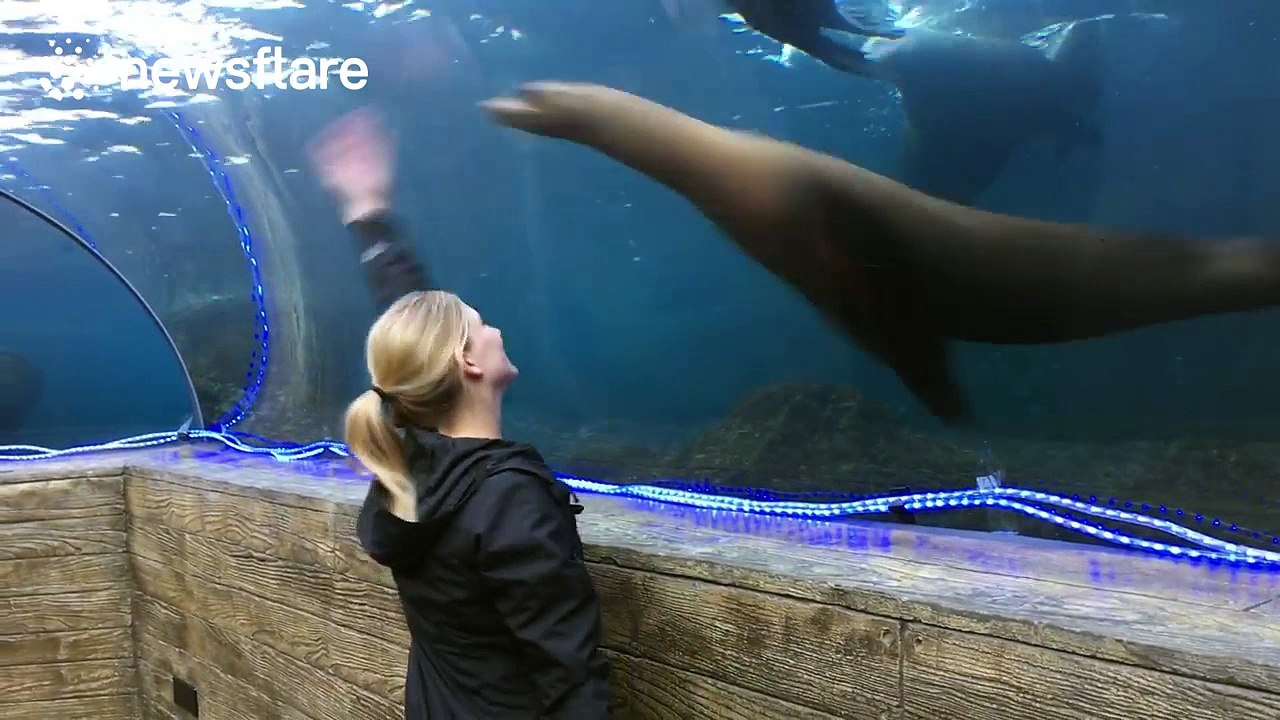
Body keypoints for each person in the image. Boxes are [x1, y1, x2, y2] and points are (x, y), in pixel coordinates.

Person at [307, 108, 613, 719]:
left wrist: (368, 213)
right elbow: (568, 673)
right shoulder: (506, 499)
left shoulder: (413, 470)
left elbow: (410, 326)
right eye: (481, 325)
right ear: (468, 364)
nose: (495, 328)